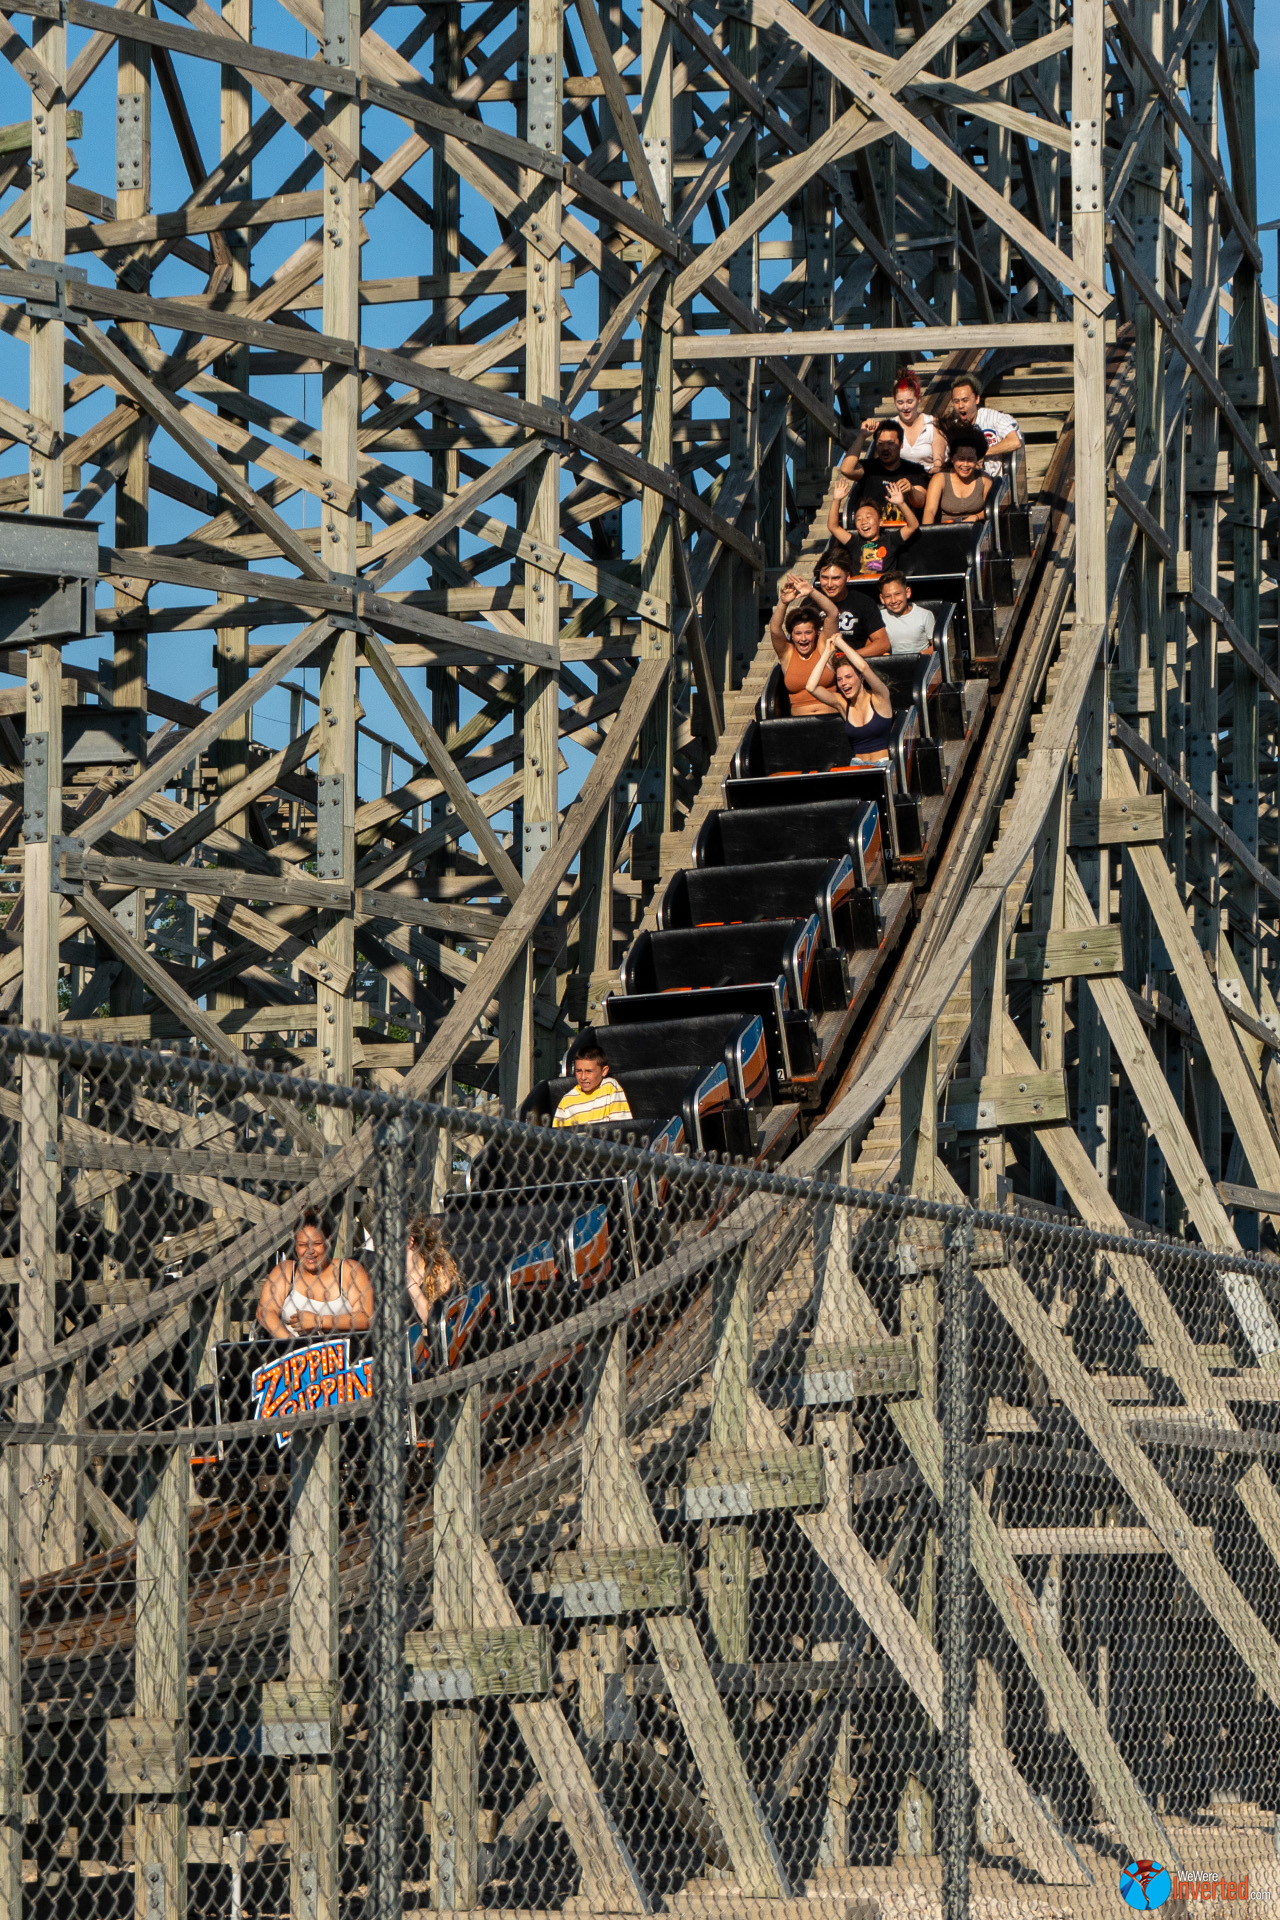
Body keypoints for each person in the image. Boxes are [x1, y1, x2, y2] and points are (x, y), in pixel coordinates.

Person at [257, 1211, 374, 1340]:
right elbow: (265, 1312)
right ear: (295, 1246)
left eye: (317, 1244)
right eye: (302, 1245)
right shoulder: (285, 1271)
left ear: (328, 1242)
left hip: (339, 1349)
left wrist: (319, 1321)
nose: (310, 1251)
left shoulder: (348, 1270)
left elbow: (367, 1317)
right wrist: (292, 1343)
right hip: (291, 1349)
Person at [804, 636, 895, 760]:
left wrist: (841, 643)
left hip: (882, 764)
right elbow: (811, 687)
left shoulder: (880, 696)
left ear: (861, 677)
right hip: (857, 766)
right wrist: (827, 653)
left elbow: (863, 667)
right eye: (839, 679)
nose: (843, 683)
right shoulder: (843, 704)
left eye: (848, 677)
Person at [768, 575, 838, 714]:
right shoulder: (787, 653)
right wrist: (783, 603)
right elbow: (775, 629)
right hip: (799, 723)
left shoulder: (823, 646)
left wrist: (811, 591)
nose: (803, 638)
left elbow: (833, 614)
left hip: (830, 719)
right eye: (798, 633)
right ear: (792, 635)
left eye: (808, 632)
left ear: (816, 633)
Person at [828, 481, 918, 580]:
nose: (863, 522)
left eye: (868, 517)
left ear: (880, 522)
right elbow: (833, 527)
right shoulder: (854, 541)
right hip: (860, 586)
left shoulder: (891, 539)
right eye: (859, 519)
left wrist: (901, 503)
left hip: (884, 586)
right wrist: (836, 500)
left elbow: (913, 526)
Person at [948, 373, 1022, 480]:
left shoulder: (994, 418)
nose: (960, 406)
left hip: (995, 481)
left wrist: (982, 453)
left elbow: (1014, 441)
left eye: (965, 400)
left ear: (977, 399)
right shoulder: (953, 427)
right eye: (956, 401)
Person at [839, 420, 913, 520]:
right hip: (872, 526)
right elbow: (846, 469)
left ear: (901, 444)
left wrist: (911, 490)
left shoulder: (911, 470)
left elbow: (920, 501)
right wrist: (862, 436)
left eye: (890, 443)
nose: (885, 448)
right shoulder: (869, 468)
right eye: (880, 443)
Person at [815, 549, 884, 650]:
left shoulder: (864, 603)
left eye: (835, 578)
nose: (829, 584)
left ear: (847, 577)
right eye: (825, 578)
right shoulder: (810, 603)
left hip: (854, 657)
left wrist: (851, 656)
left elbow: (883, 643)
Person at [553, 1041, 633, 1128]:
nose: (583, 1077)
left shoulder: (610, 1087)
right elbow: (559, 1133)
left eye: (589, 1071)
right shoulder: (567, 1101)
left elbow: (620, 1126)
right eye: (579, 1071)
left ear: (604, 1071)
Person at [923, 431, 994, 525]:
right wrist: (927, 531)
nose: (965, 464)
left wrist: (976, 517)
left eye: (970, 459)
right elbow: (930, 511)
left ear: (976, 459)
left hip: (976, 529)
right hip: (946, 529)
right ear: (952, 458)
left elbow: (991, 509)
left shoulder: (984, 479)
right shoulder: (940, 479)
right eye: (961, 459)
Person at [406, 1213, 461, 1323]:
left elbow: (435, 1322)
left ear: (410, 1241)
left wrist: (410, 1284)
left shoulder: (438, 1273)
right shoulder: (388, 1279)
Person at [874, 572, 936, 656]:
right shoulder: (878, 617)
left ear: (907, 592)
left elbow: (936, 646)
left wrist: (919, 655)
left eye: (897, 594)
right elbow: (872, 644)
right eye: (888, 596)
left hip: (921, 661)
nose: (893, 600)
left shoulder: (924, 615)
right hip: (890, 662)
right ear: (882, 598)